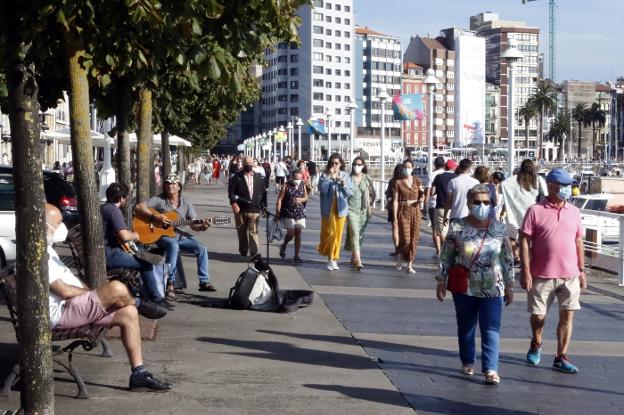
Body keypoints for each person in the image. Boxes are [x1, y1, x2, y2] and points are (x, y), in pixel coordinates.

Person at [46, 204, 173, 392]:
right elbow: (63, 291)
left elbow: (70, 288)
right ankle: (139, 302)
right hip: (60, 315)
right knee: (116, 288)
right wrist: (91, 295)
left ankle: (139, 373)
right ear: (45, 226)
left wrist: (91, 295)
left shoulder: (48, 250)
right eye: (58, 222)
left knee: (128, 313)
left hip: (71, 307)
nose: (62, 226)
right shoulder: (38, 255)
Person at [436, 184, 514, 385]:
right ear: (469, 203)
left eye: (486, 202)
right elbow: (447, 255)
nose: (482, 206)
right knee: (466, 326)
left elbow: (507, 258)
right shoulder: (457, 226)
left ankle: (490, 368)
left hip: (493, 287)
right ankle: (468, 361)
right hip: (465, 287)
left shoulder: (499, 228)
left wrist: (510, 284)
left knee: (491, 328)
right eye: (477, 202)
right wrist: (441, 280)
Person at [520, 168, 586, 374]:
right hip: (541, 274)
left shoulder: (574, 212)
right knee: (538, 316)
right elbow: (524, 240)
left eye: (569, 185)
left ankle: (561, 356)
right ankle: (536, 341)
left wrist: (582, 270)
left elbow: (578, 241)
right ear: (551, 186)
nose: (568, 189)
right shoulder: (535, 210)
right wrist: (525, 270)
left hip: (571, 275)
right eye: (564, 186)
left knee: (568, 316)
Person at [134, 174, 216, 295]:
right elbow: (138, 207)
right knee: (173, 246)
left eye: (173, 184)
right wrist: (155, 216)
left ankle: (204, 281)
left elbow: (194, 225)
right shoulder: (159, 200)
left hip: (180, 235)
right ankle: (170, 282)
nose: (170, 186)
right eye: (167, 183)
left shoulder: (186, 204)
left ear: (179, 187)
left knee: (202, 248)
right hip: (162, 236)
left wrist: (203, 227)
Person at [101, 183, 167, 306]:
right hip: (110, 254)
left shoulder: (104, 208)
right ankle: (156, 299)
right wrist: (136, 235)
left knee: (141, 251)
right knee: (146, 263)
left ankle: (139, 291)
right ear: (121, 198)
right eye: (126, 197)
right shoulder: (114, 211)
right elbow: (125, 236)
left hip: (106, 250)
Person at [501, 159, 548, 260]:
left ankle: (524, 260)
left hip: (520, 215)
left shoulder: (514, 180)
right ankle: (533, 260)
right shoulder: (538, 179)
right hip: (536, 214)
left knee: (523, 239)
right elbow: (545, 194)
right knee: (535, 239)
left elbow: (504, 185)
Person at [317, 153, 352, 271]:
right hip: (328, 209)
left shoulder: (346, 176)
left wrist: (343, 184)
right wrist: (329, 177)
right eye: (332, 163)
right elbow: (322, 190)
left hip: (341, 210)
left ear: (341, 164)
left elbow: (350, 193)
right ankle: (330, 258)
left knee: (337, 235)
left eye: (336, 163)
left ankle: (333, 259)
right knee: (330, 233)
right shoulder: (324, 175)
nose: (334, 165)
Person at [228, 156, 267, 257]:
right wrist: (234, 203)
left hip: (254, 208)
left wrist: (264, 206)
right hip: (240, 209)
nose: (249, 166)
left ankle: (254, 252)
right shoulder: (236, 178)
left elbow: (263, 193)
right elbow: (231, 192)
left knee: (253, 231)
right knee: (241, 231)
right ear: (243, 164)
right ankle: (243, 250)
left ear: (253, 164)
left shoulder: (259, 177)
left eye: (250, 164)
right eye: (246, 164)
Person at [393, 159, 424, 274]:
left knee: (414, 238)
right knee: (405, 239)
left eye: (409, 167)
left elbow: (422, 194)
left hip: (415, 211)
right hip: (403, 211)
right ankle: (401, 254)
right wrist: (395, 217)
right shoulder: (398, 183)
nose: (407, 169)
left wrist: (422, 198)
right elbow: (395, 200)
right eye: (405, 167)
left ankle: (410, 264)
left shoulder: (417, 180)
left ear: (413, 168)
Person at [345, 157, 375, 271]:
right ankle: (358, 260)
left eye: (359, 164)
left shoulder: (367, 178)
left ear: (363, 165)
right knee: (355, 233)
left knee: (359, 234)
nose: (356, 166)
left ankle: (353, 257)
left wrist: (370, 207)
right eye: (355, 164)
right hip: (351, 209)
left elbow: (372, 193)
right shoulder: (348, 178)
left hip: (363, 210)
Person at [276, 170, 308, 262]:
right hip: (288, 212)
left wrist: (301, 199)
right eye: (296, 178)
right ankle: (284, 244)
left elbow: (306, 197)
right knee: (291, 233)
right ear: (292, 177)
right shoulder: (286, 185)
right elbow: (280, 199)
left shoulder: (303, 184)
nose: (298, 180)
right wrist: (278, 212)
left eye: (300, 178)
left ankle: (296, 255)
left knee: (298, 233)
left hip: (299, 212)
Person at [430, 159, 458, 256]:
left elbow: (432, 192)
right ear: (454, 168)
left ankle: (444, 250)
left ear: (445, 166)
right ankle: (450, 251)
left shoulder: (439, 177)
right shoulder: (456, 177)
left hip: (440, 207)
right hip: (453, 208)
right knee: (453, 230)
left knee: (441, 231)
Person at [443, 159, 479, 226]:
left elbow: (448, 202)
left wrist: (445, 216)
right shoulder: (476, 182)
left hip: (455, 216)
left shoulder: (452, 182)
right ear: (470, 168)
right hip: (471, 217)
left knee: (454, 236)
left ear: (459, 167)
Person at [425, 157, 446, 257]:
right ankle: (445, 249)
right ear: (444, 164)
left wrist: (425, 203)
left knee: (435, 229)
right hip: (447, 204)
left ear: (435, 165)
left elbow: (429, 191)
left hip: (434, 204)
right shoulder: (447, 174)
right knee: (446, 228)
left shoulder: (432, 175)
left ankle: (438, 251)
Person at [386, 164, 405, 257]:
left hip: (393, 208)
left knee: (395, 228)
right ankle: (403, 249)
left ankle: (397, 249)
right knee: (404, 229)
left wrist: (390, 200)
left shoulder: (392, 181)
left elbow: (388, 194)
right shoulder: (406, 181)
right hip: (404, 208)